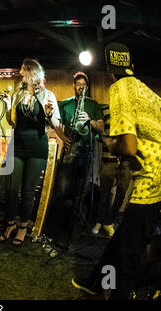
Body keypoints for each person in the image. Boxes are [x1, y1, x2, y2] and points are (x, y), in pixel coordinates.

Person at [71, 42, 161, 300]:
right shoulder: (141, 86)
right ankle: (96, 282)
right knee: (123, 237)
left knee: (129, 255)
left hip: (149, 185)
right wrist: (156, 143)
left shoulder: (118, 88)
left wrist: (110, 143)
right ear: (131, 65)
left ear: (110, 69)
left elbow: (127, 147)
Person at [0, 58, 63, 246]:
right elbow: (12, 122)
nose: (20, 74)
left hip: (37, 147)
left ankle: (23, 227)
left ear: (31, 73)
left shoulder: (47, 94)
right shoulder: (18, 94)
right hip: (17, 145)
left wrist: (50, 114)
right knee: (11, 189)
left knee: (28, 192)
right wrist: (6, 104)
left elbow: (57, 125)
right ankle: (10, 223)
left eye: (22, 71)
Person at [53, 72, 104, 242]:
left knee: (80, 195)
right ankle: (58, 228)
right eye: (78, 84)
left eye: (84, 84)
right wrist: (63, 138)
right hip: (69, 150)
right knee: (61, 191)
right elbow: (57, 126)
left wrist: (90, 120)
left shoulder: (94, 105)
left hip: (85, 153)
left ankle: (75, 231)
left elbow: (101, 128)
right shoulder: (66, 104)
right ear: (74, 86)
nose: (81, 87)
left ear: (87, 87)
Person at [92, 103, 131, 237]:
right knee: (104, 194)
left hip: (125, 161)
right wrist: (103, 140)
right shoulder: (104, 109)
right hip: (108, 159)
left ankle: (109, 223)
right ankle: (99, 221)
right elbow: (97, 134)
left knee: (121, 194)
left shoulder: (129, 111)